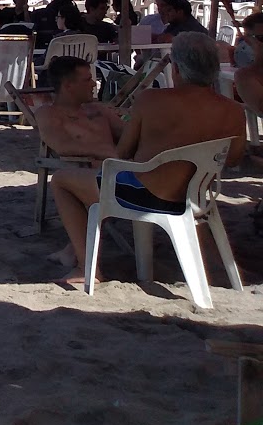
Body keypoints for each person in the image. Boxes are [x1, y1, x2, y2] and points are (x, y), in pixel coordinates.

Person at [49, 31, 245, 289]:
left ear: (175, 69)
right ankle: (72, 252)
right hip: (195, 197)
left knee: (62, 181)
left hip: (143, 195)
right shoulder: (233, 111)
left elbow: (124, 153)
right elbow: (232, 160)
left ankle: (87, 267)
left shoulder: (152, 100)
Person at [34, 56, 121, 163]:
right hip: (92, 173)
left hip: (121, 168)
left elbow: (129, 134)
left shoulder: (99, 110)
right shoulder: (48, 114)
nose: (94, 84)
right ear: (68, 85)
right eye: (88, 79)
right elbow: (62, 146)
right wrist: (104, 151)